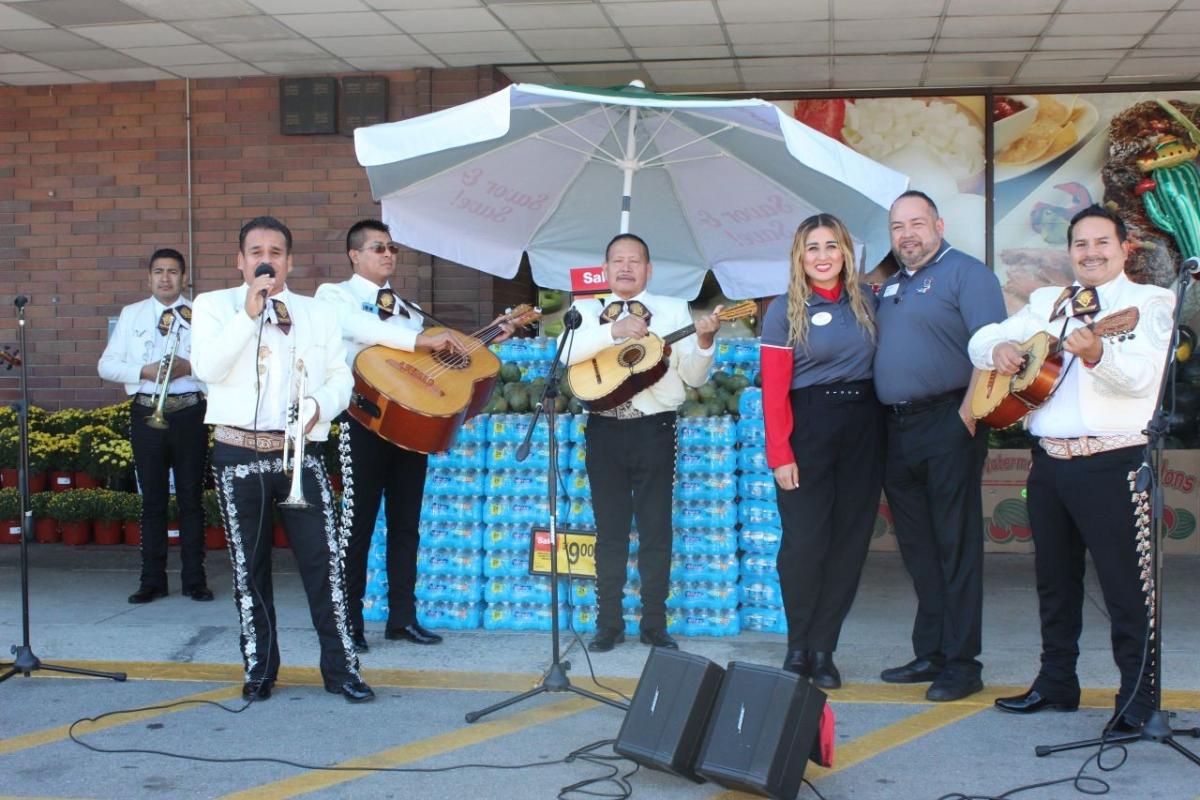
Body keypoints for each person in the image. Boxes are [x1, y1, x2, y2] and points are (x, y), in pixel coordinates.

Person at [969, 206, 1172, 731]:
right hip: (1050, 464)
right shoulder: (1048, 302)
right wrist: (1002, 347)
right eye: (1081, 244)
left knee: (1128, 589)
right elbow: (979, 340)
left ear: (1124, 248)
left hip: (1115, 463)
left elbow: (1146, 381)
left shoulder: (1148, 303)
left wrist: (1101, 354)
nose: (1091, 253)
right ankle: (1057, 683)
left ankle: (1138, 700)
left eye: (1102, 242)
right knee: (1055, 584)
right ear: (1069, 252)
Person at [191, 216, 372, 704]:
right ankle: (260, 666)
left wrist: (317, 406)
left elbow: (341, 376)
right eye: (255, 251)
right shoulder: (213, 306)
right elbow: (206, 367)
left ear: (290, 261)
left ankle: (342, 669)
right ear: (241, 261)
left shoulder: (317, 313)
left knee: (324, 564)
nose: (265, 259)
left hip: (300, 452)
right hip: (237, 450)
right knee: (249, 568)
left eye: (275, 251)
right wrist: (248, 315)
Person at [315, 219, 513, 652]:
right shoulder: (335, 295)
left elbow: (433, 364)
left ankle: (402, 618)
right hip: (363, 422)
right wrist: (420, 340)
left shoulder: (408, 309)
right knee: (358, 525)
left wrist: (490, 336)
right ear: (354, 255)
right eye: (377, 248)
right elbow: (355, 328)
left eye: (392, 249)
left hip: (410, 424)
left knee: (407, 526)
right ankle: (348, 621)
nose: (388, 255)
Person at [873, 190, 1006, 702]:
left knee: (956, 544)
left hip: (948, 421)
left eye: (916, 223)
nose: (907, 234)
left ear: (939, 224)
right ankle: (930, 651)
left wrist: (967, 416)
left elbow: (992, 348)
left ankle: (962, 662)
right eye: (897, 227)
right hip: (897, 430)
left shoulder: (967, 274)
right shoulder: (891, 288)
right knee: (919, 548)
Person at [561, 233, 721, 653]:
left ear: (650, 270)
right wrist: (614, 330)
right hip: (603, 428)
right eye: (618, 260)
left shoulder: (672, 309)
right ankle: (607, 622)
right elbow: (567, 355)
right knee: (609, 529)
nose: (626, 267)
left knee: (655, 528)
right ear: (606, 268)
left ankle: (654, 622)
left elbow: (694, 375)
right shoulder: (585, 309)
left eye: (635, 260)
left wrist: (704, 343)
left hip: (654, 428)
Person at [760, 214, 883, 690]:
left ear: (846, 251)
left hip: (863, 428)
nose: (823, 255)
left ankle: (824, 649)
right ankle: (797, 644)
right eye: (813, 247)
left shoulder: (869, 301)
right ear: (800, 256)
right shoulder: (783, 309)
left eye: (832, 245)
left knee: (848, 545)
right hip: (807, 427)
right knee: (804, 544)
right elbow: (774, 391)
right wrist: (780, 454)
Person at [98, 248, 210, 605]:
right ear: (149, 278)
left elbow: (220, 367)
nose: (166, 278)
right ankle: (152, 580)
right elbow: (107, 366)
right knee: (152, 501)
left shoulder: (203, 315)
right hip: (148, 412)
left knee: (192, 499)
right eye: (159, 271)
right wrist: (143, 371)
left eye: (173, 272)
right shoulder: (132, 315)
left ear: (183, 277)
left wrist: (189, 367)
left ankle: (195, 579)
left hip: (190, 412)